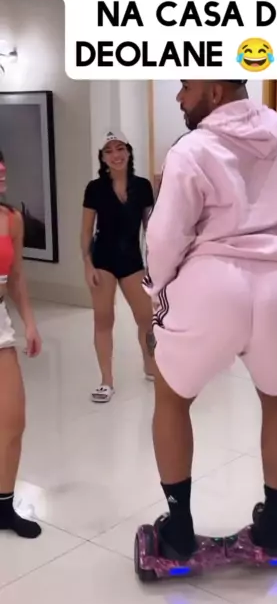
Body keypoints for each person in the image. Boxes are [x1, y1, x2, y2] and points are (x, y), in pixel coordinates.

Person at [144, 80, 277, 561]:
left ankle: (178, 530)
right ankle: (273, 526)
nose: (179, 98)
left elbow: (166, 237)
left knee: (172, 398)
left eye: (186, 87)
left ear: (215, 92)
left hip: (212, 282)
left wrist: (160, 290)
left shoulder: (191, 149)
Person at [81, 131, 156, 403]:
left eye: (120, 148)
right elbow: (86, 231)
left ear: (128, 151)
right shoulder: (95, 189)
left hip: (132, 261)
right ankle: (106, 381)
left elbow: (151, 229)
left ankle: (151, 366)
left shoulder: (143, 187)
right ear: (102, 158)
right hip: (102, 260)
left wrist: (154, 264)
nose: (116, 155)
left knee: (147, 318)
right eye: (109, 151)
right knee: (103, 319)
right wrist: (87, 264)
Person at [0, 150, 42, 538]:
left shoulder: (11, 219)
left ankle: (4, 507)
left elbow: (15, 276)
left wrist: (29, 321)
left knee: (13, 421)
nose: (2, 170)